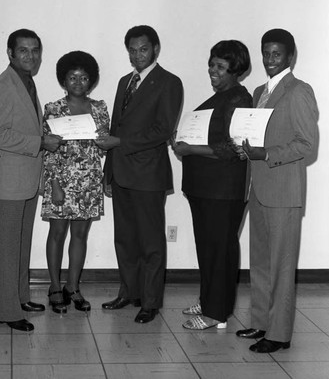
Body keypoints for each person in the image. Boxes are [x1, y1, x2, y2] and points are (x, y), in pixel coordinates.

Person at [235, 29, 318, 353]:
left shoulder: (299, 91)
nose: (270, 60)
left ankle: (279, 334)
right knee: (261, 261)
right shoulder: (259, 91)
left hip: (284, 191)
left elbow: (307, 146)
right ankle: (261, 321)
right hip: (258, 187)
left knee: (282, 265)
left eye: (277, 54)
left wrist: (266, 154)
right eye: (266, 54)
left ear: (290, 56)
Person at [96, 25, 183, 324]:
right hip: (121, 173)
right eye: (132, 50)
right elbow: (116, 127)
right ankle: (128, 292)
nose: (137, 55)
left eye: (143, 49)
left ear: (155, 49)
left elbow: (162, 130)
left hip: (148, 174)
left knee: (151, 242)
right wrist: (108, 172)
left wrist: (119, 143)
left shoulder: (169, 82)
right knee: (125, 239)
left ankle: (150, 301)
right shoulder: (125, 81)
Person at [0, 29, 62, 332]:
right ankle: (7, 311)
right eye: (23, 51)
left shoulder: (25, 82)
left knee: (21, 245)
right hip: (9, 181)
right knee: (7, 248)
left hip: (26, 179)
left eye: (35, 51)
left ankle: (19, 297)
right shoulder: (5, 85)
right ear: (10, 53)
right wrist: (41, 142)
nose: (30, 56)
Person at [172, 40, 252, 330]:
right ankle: (209, 301)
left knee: (219, 250)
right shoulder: (221, 98)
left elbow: (233, 148)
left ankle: (216, 313)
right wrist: (180, 141)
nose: (212, 70)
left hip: (224, 190)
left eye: (220, 66)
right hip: (204, 188)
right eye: (211, 64)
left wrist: (190, 149)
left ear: (237, 70)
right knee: (208, 248)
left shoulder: (239, 99)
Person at [42, 51, 110, 313]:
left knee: (80, 235)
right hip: (60, 180)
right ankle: (55, 287)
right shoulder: (53, 108)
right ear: (63, 80)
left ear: (91, 80)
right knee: (57, 233)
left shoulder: (100, 108)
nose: (78, 82)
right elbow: (49, 150)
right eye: (72, 77)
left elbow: (103, 147)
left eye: (84, 77)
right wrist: (55, 184)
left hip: (89, 181)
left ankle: (73, 286)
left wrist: (104, 140)